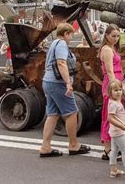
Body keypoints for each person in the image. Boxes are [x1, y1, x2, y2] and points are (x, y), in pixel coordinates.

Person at [39, 23, 90, 157]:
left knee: (53, 114)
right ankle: (73, 145)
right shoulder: (61, 44)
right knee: (71, 113)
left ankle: (45, 146)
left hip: (48, 82)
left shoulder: (53, 44)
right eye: (71, 34)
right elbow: (61, 63)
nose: (71, 37)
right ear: (66, 33)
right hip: (58, 83)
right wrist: (68, 83)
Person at [99, 24, 124, 160]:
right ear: (107, 36)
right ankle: (108, 149)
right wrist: (115, 87)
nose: (116, 38)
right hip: (112, 84)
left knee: (115, 115)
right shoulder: (107, 49)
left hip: (116, 83)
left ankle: (111, 148)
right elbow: (109, 71)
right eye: (113, 36)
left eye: (117, 36)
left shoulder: (111, 48)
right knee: (110, 116)